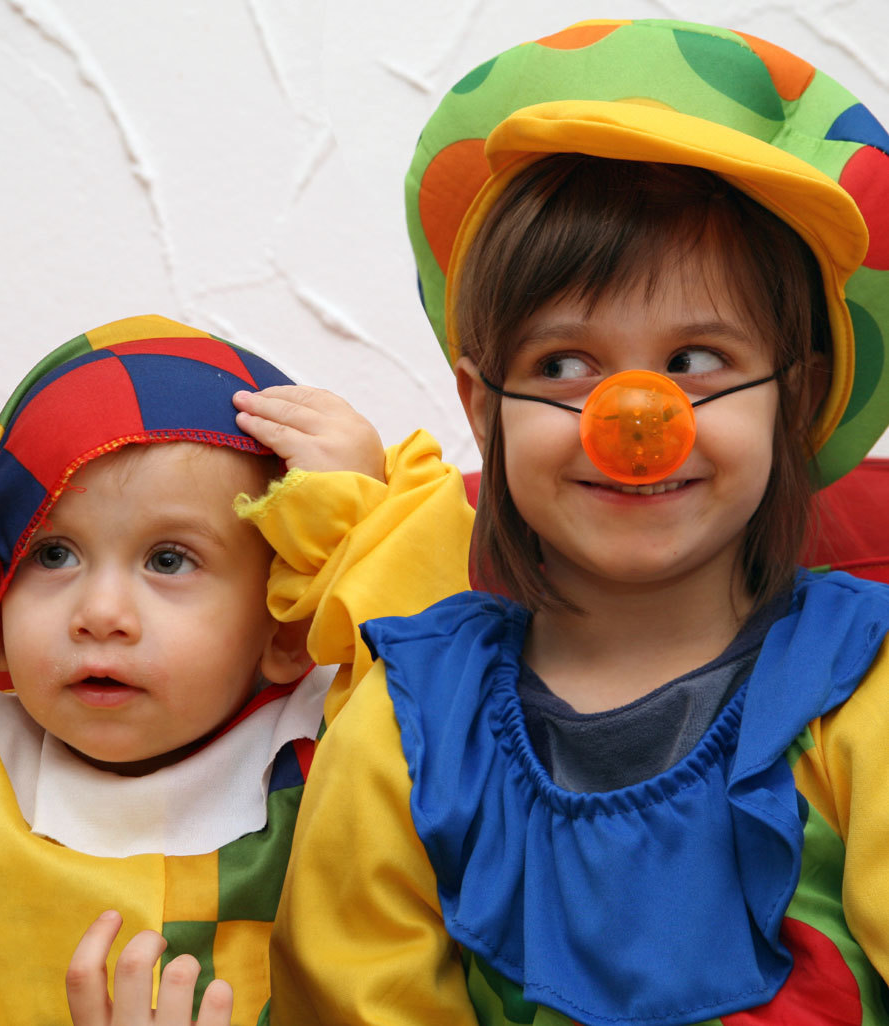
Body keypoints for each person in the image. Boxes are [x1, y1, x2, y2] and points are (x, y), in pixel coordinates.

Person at [266, 19, 889, 1026]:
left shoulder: (867, 691)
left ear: (796, 396)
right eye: (565, 366)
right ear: (483, 409)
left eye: (697, 361)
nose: (634, 422)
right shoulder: (405, 734)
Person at [0, 314, 472, 1026]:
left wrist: (361, 519)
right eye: (52, 554)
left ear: (285, 631)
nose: (100, 612)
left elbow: (445, 694)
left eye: (169, 560)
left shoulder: (327, 755)